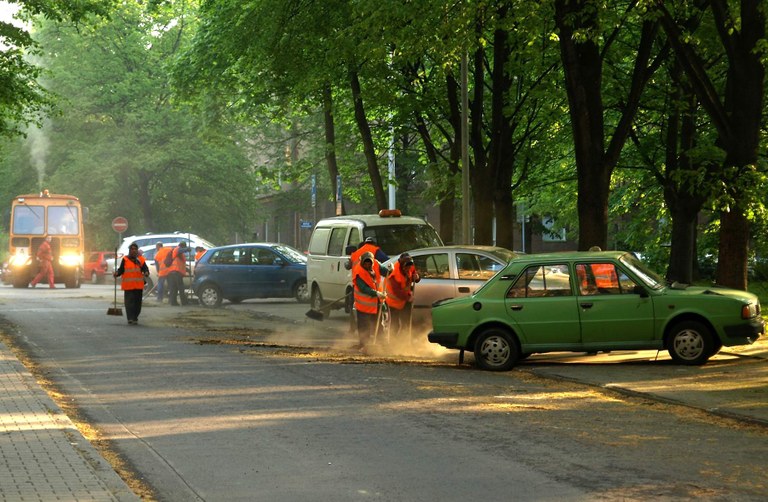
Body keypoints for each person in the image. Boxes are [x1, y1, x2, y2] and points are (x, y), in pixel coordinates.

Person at [352, 252, 386, 351]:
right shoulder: (359, 272)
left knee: (378, 324)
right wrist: (376, 293)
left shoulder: (376, 264)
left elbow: (385, 271)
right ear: (362, 262)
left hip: (375, 303)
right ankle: (364, 345)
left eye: (369, 263)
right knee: (364, 326)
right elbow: (363, 288)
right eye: (365, 263)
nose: (367, 265)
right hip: (363, 304)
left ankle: (381, 344)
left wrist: (390, 269)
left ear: (372, 262)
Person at [385, 253, 421, 340]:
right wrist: (409, 297)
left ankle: (404, 342)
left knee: (406, 322)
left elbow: (414, 274)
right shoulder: (394, 274)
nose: (408, 269)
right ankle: (392, 343)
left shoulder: (410, 265)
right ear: (402, 265)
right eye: (406, 267)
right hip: (394, 300)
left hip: (405, 299)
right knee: (395, 324)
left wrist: (417, 277)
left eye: (409, 267)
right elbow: (397, 292)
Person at [113, 242, 149, 325]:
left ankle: (135, 317)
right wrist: (116, 273)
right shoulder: (125, 260)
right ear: (129, 251)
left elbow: (145, 269)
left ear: (137, 250)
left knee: (137, 304)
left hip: (138, 286)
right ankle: (130, 318)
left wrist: (146, 272)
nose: (134, 251)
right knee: (129, 303)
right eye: (132, 249)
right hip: (128, 286)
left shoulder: (141, 260)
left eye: (135, 249)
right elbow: (121, 270)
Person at [166, 241, 189, 306]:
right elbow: (180, 250)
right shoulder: (177, 249)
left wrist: (187, 270)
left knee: (174, 288)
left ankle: (173, 302)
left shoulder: (179, 253)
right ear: (182, 246)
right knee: (181, 288)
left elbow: (180, 262)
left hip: (173, 272)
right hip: (176, 272)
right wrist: (187, 249)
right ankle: (184, 302)